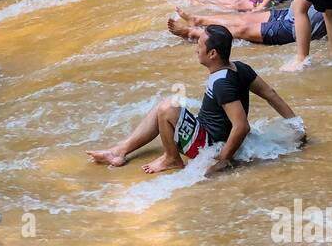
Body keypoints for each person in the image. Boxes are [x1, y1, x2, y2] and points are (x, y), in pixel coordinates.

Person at [86, 24, 300, 175]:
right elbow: (271, 94)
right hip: (209, 133)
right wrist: (297, 126)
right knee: (165, 104)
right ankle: (119, 151)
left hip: (210, 144)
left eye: (200, 44)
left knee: (167, 108)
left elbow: (241, 126)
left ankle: (172, 159)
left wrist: (222, 161)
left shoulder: (221, 83)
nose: (197, 48)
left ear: (213, 53)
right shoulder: (240, 67)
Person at [168, 3, 328, 48]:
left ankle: (194, 33)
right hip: (291, 12)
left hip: (297, 27)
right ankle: (197, 20)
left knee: (243, 30)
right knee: (245, 18)